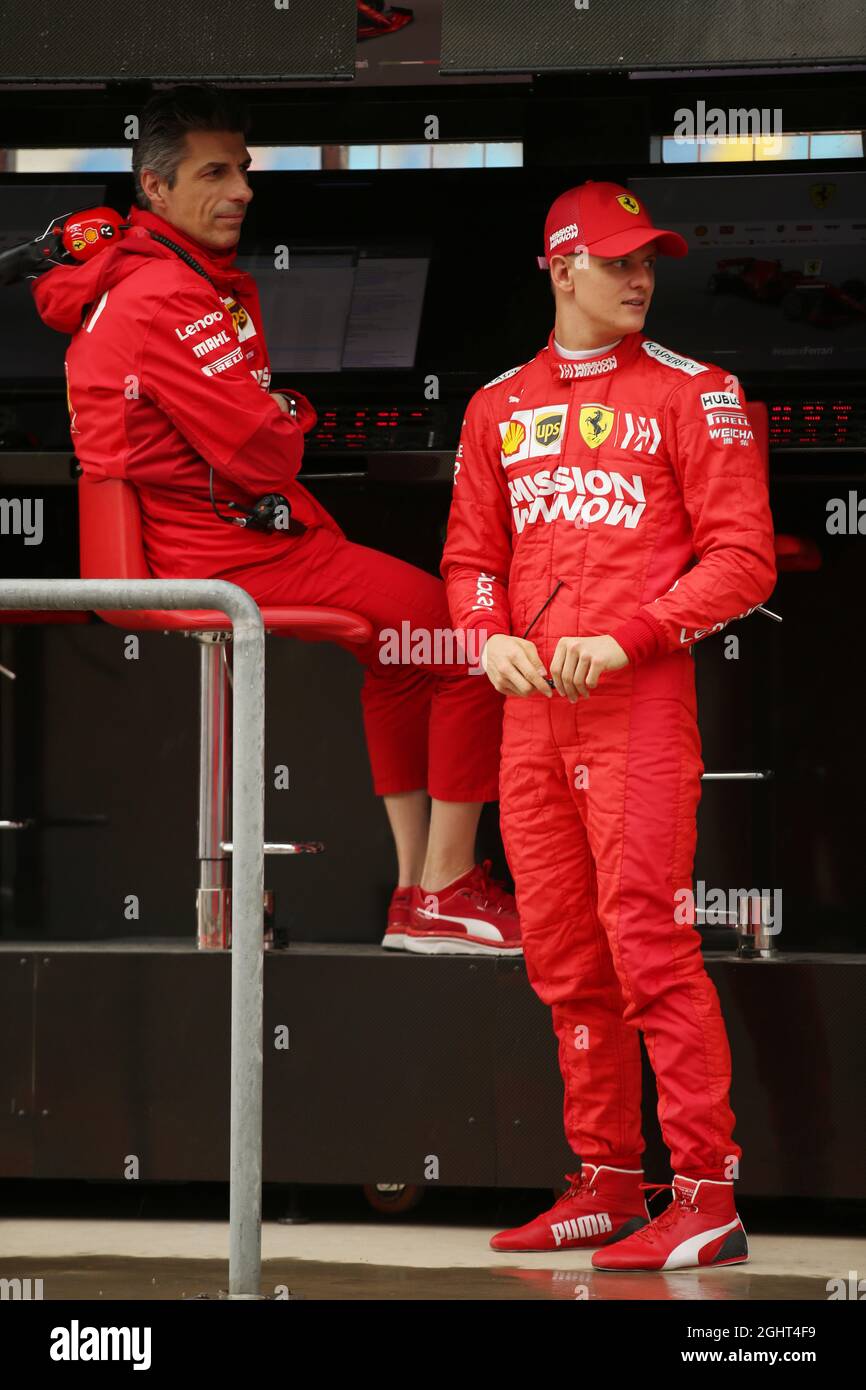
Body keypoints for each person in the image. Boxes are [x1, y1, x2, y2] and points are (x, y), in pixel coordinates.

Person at [31, 84, 519, 955]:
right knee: (460, 638)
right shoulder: (164, 299)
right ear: (154, 190)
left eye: (244, 170)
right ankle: (447, 889)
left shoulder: (146, 279)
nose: (244, 189)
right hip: (229, 555)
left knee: (403, 652)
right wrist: (290, 409)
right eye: (215, 173)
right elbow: (264, 455)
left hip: (216, 541)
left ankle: (420, 895)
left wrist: (265, 413)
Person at [441, 181, 777, 1270]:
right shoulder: (494, 405)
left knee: (648, 948)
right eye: (618, 260)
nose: (639, 278)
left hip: (633, 711)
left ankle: (705, 1194)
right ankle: (605, 1181)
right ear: (558, 267)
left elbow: (741, 561)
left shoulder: (698, 393)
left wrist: (631, 634)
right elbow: (467, 559)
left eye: (649, 262)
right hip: (532, 719)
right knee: (565, 958)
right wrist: (485, 633)